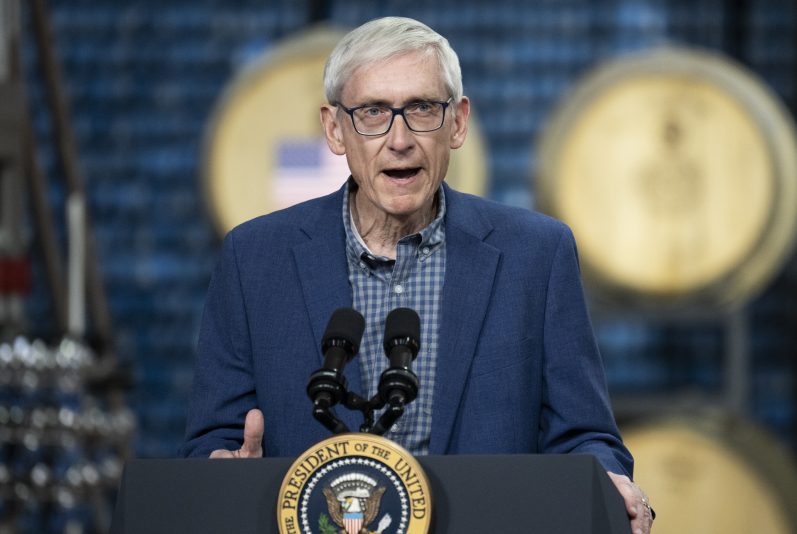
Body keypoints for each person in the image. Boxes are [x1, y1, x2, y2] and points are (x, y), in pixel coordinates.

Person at [181, 16, 654, 533]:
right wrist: (222, 474)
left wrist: (609, 479)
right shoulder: (255, 258)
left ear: (458, 123)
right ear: (335, 129)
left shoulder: (537, 254)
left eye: (422, 109)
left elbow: (585, 435)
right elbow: (216, 441)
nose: (399, 138)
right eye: (373, 112)